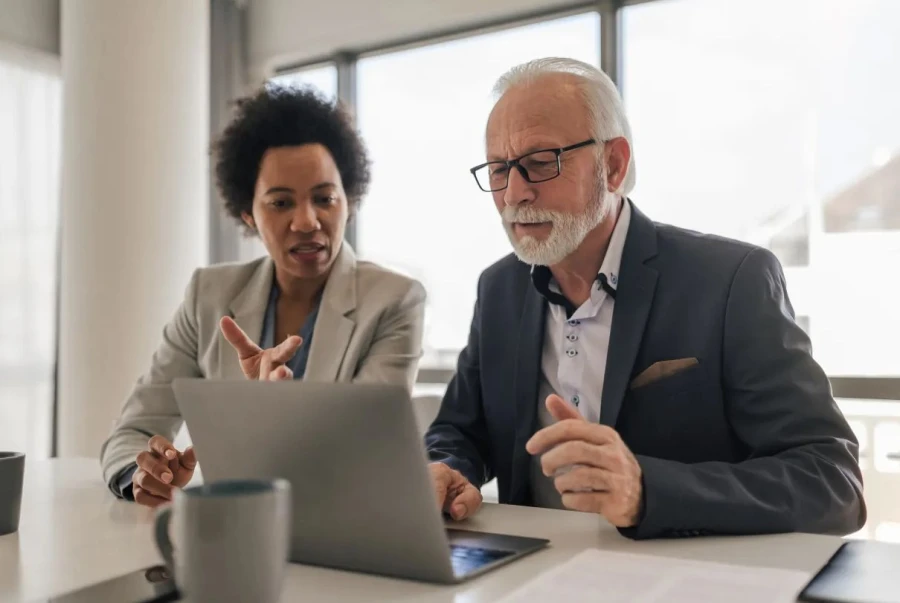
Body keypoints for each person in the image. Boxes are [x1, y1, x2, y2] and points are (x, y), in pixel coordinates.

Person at [425, 58, 865, 539]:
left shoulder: (730, 281)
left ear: (613, 165)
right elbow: (461, 432)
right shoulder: (499, 289)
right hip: (527, 573)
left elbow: (833, 483)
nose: (513, 193)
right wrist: (446, 469)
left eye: (538, 163)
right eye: (498, 168)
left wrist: (647, 492)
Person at [101, 85, 426, 507]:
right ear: (248, 215)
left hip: (344, 531)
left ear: (350, 202)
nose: (307, 221)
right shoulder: (208, 297)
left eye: (324, 198)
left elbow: (361, 453)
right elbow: (132, 431)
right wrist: (144, 474)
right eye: (281, 202)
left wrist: (272, 413)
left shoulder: (395, 301)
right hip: (233, 535)